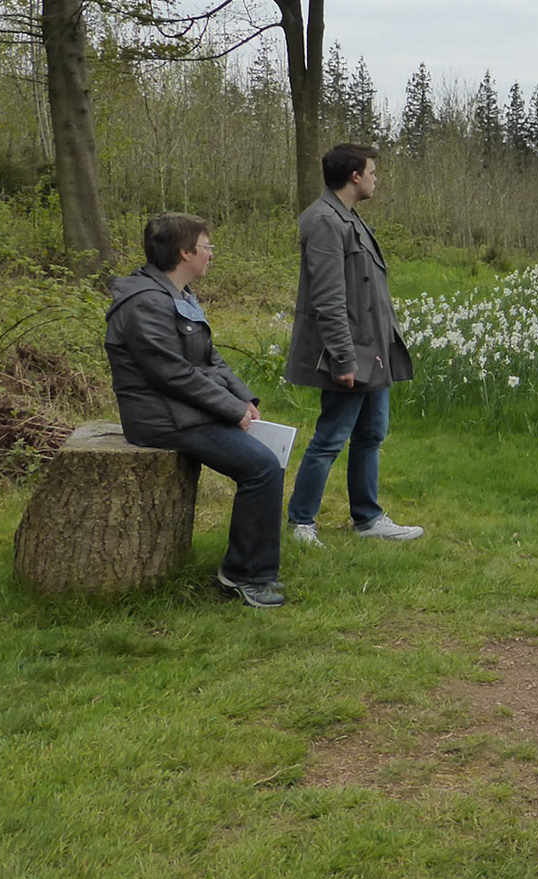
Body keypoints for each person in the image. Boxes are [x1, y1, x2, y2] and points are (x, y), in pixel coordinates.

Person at [106, 214, 285, 608]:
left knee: (268, 459)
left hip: (184, 409)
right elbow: (171, 373)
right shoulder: (144, 303)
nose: (211, 255)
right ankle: (245, 576)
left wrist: (244, 399)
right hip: (161, 418)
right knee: (262, 467)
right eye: (207, 247)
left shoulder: (178, 294)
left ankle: (251, 568)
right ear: (185, 252)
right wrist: (228, 409)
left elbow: (208, 356)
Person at [284, 142, 422, 545]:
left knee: (371, 435)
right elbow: (328, 298)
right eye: (373, 172)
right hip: (352, 353)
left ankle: (368, 519)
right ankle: (301, 523)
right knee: (331, 437)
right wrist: (343, 358)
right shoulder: (325, 221)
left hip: (374, 350)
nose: (377, 179)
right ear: (355, 176)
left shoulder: (349, 218)